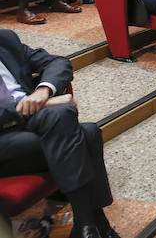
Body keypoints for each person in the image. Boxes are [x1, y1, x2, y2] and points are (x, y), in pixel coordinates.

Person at [0, 29, 119, 238]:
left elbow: (58, 62)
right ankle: (94, 221)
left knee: (83, 129)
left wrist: (43, 91)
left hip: (33, 121)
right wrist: (40, 104)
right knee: (81, 130)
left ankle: (87, 225)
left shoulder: (5, 39)